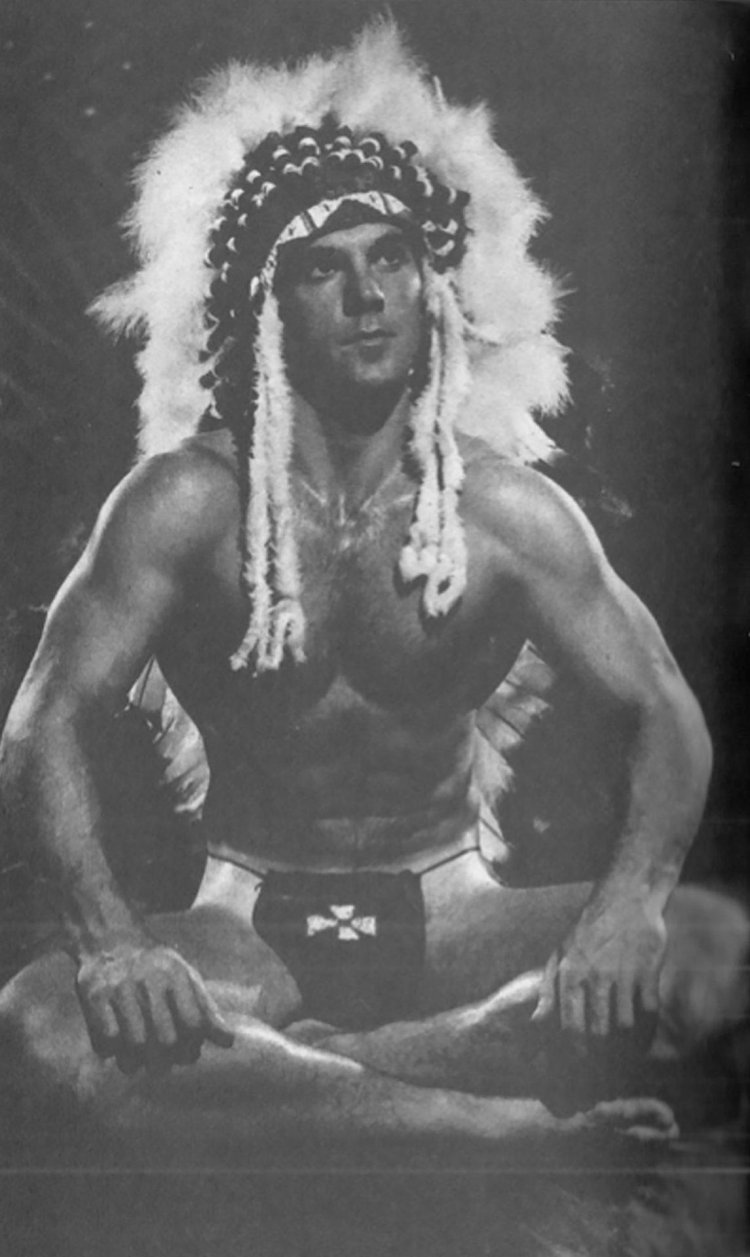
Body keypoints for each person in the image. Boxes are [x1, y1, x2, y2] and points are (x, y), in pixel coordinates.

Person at [0, 21, 745, 1170]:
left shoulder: (504, 512)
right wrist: (109, 945)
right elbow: (42, 721)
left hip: (457, 915)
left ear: (429, 284)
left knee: (720, 956)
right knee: (36, 1024)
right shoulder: (183, 504)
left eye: (392, 258)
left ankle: (318, 1071)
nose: (367, 296)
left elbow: (664, 711)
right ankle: (477, 1116)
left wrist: (628, 908)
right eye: (323, 268)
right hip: (245, 922)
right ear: (269, 304)